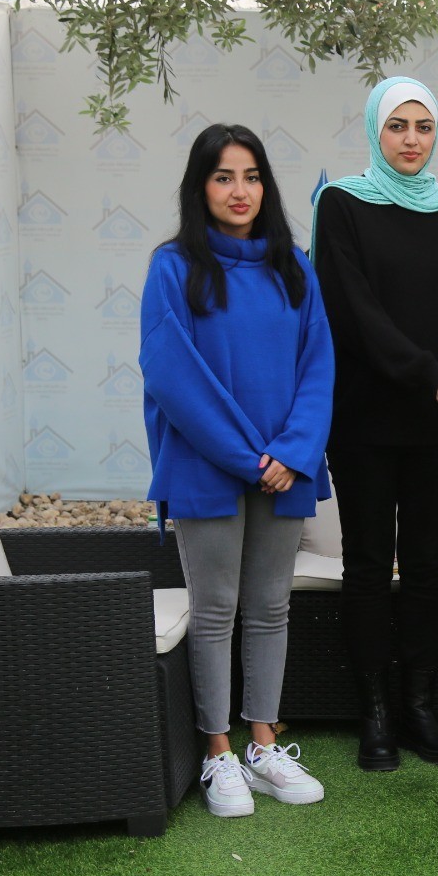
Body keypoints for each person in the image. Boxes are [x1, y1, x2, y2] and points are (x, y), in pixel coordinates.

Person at [140, 123, 333, 818]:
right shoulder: (172, 268)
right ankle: (217, 753)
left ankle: (263, 746)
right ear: (200, 188)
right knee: (217, 609)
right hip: (207, 468)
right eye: (223, 177)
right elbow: (172, 376)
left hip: (285, 468)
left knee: (271, 607)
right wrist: (252, 459)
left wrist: (293, 453)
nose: (239, 190)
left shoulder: (294, 267)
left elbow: (318, 365)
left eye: (251, 176)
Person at [313, 77, 438, 772]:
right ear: (374, 130)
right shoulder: (341, 203)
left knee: (426, 565)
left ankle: (419, 707)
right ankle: (375, 714)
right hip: (364, 417)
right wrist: (428, 373)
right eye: (397, 126)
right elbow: (353, 313)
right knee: (365, 565)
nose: (411, 139)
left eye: (423, 126)